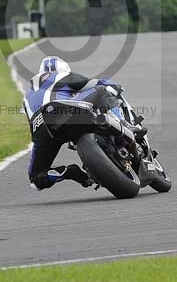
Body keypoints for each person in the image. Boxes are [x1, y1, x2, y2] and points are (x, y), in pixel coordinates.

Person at [22, 56, 145, 191]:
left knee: (36, 179)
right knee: (103, 89)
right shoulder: (62, 75)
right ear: (64, 69)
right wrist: (114, 87)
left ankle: (69, 172)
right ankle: (125, 124)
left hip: (42, 129)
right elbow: (93, 84)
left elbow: (31, 121)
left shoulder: (27, 94)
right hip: (66, 111)